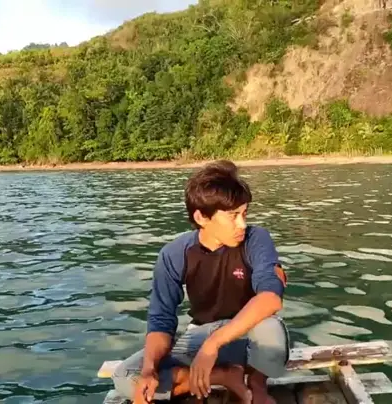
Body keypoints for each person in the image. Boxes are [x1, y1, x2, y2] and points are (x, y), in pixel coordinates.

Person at [111, 160, 290, 404]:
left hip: (248, 335)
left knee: (271, 328)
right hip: (202, 334)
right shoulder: (175, 254)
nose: (242, 224)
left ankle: (257, 384)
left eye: (244, 213)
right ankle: (224, 376)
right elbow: (161, 320)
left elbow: (270, 298)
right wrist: (150, 369)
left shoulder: (256, 239)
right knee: (126, 376)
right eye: (233, 216)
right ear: (201, 217)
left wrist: (213, 345)